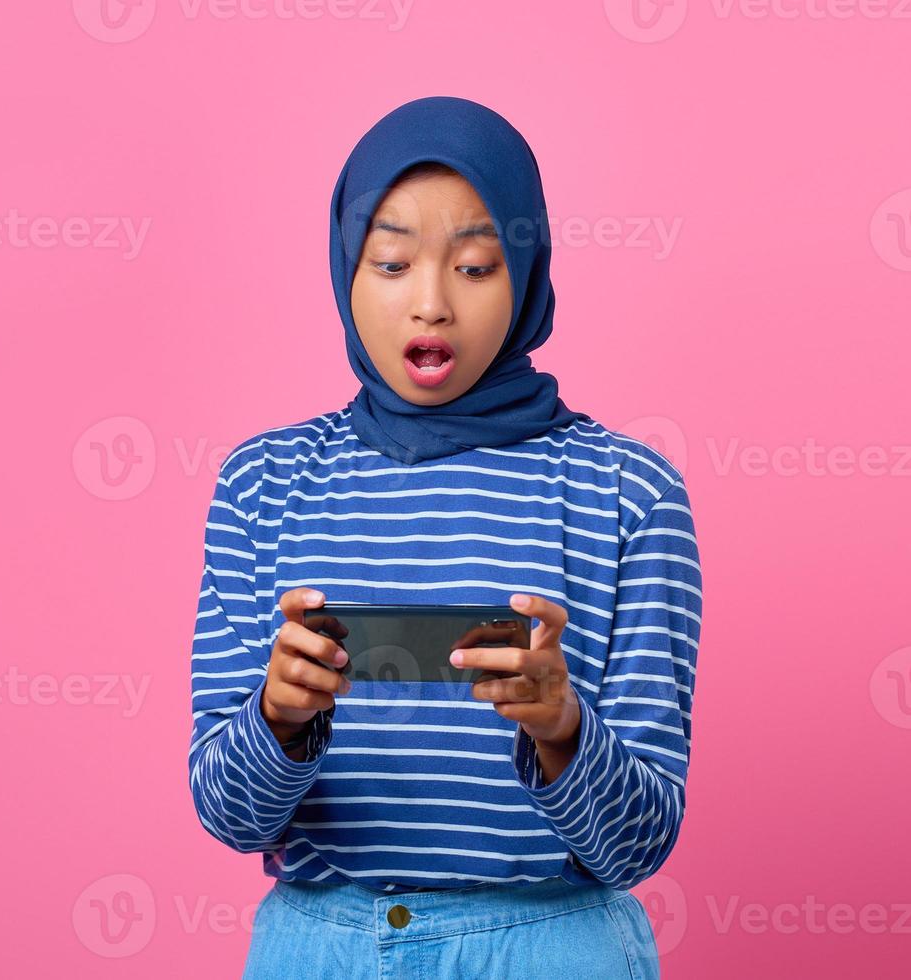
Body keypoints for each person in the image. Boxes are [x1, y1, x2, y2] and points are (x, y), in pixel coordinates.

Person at [187, 95, 702, 979]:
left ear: (528, 273)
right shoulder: (260, 484)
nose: (429, 304)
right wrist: (278, 719)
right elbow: (228, 816)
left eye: (473, 266)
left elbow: (641, 842)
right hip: (319, 953)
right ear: (346, 270)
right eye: (390, 262)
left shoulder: (628, 490)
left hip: (551, 950)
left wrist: (564, 732)